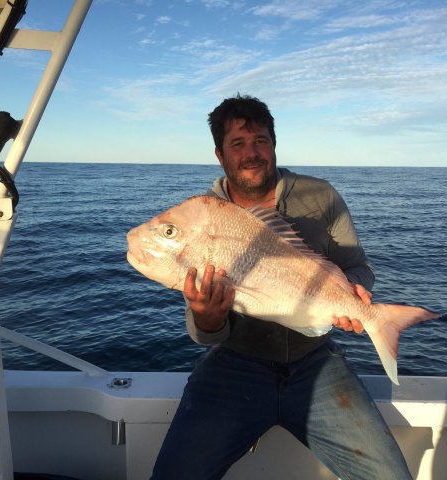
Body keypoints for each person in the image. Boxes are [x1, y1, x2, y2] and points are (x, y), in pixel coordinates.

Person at [150, 94, 412, 479]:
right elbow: (204, 331)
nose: (251, 153)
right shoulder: (204, 215)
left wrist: (352, 291)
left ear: (274, 145)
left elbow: (357, 265)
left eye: (261, 141)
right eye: (237, 144)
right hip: (234, 364)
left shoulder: (320, 196)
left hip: (316, 362)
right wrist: (207, 318)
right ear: (221, 155)